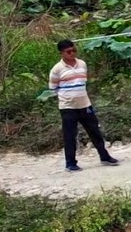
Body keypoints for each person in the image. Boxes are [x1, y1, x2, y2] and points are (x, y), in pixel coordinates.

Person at [49, 39, 119, 173]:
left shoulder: (82, 64)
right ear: (61, 53)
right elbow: (53, 89)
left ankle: (104, 157)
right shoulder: (56, 69)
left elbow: (84, 81)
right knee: (69, 135)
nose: (72, 53)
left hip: (85, 104)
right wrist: (68, 96)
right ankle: (70, 163)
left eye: (74, 50)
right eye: (69, 52)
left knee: (95, 131)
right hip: (67, 107)